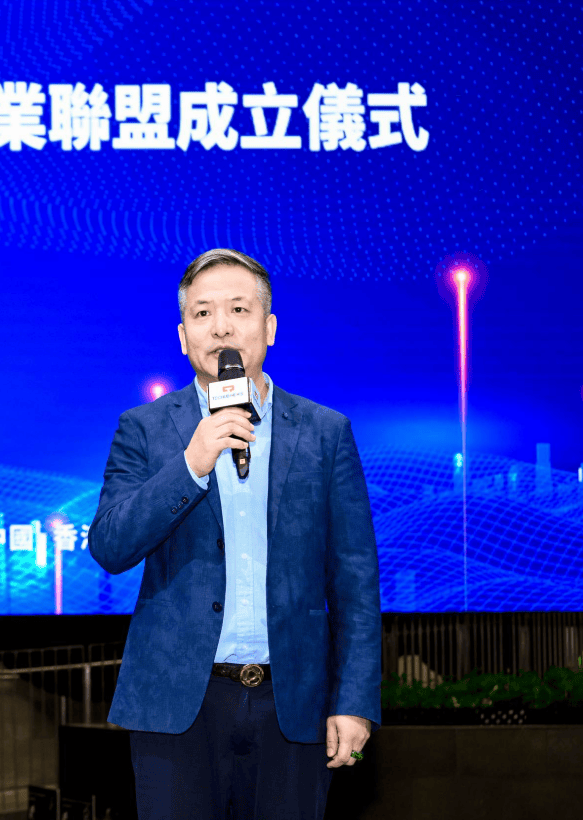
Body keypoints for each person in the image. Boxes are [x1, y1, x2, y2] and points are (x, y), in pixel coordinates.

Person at [87, 248, 381, 820]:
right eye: (202, 313)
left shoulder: (325, 433)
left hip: (292, 705)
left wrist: (354, 701)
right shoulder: (144, 429)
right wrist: (191, 464)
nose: (220, 326)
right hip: (177, 706)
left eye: (239, 309)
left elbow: (355, 580)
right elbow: (110, 545)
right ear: (183, 337)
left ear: (269, 328)